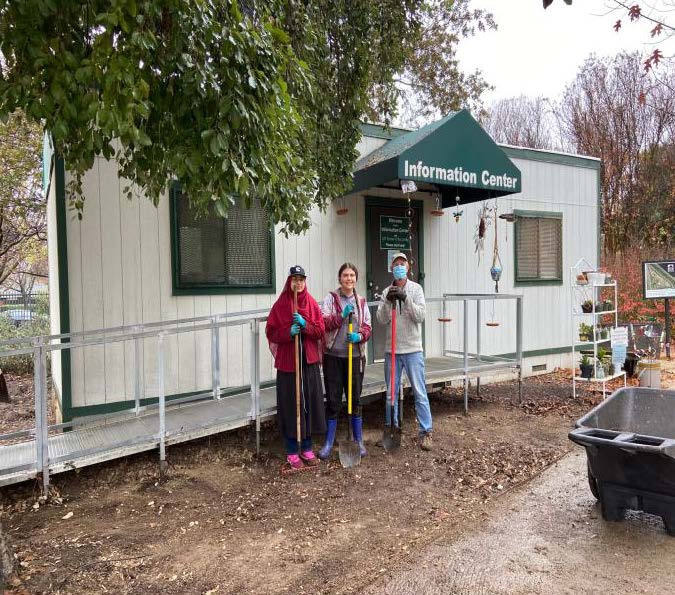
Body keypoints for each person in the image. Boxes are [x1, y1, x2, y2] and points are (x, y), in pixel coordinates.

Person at [266, 266, 326, 472]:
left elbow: (320, 330)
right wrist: (288, 332)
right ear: (289, 282)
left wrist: (305, 324)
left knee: (308, 405)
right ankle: (292, 450)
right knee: (291, 407)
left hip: (307, 364)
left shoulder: (310, 303)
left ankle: (307, 447)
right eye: (295, 280)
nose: (298, 283)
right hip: (289, 367)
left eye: (301, 280)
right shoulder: (281, 305)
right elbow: (271, 332)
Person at [376, 252, 433, 451]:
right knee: (391, 393)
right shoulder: (386, 291)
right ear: (391, 268)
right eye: (396, 264)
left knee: (419, 391)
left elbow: (420, 316)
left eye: (402, 263)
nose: (399, 266)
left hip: (412, 349)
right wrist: (388, 302)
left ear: (408, 267)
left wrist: (406, 298)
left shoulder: (416, 289)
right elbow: (381, 319)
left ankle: (426, 432)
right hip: (392, 351)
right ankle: (392, 427)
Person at [318, 263, 372, 459]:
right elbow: (323, 323)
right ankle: (329, 442)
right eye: (345, 275)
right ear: (339, 278)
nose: (349, 278)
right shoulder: (330, 299)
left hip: (354, 357)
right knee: (333, 401)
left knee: (355, 399)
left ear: (356, 278)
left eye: (352, 275)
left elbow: (367, 326)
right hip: (333, 357)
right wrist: (341, 316)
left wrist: (359, 336)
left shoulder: (361, 301)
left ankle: (357, 440)